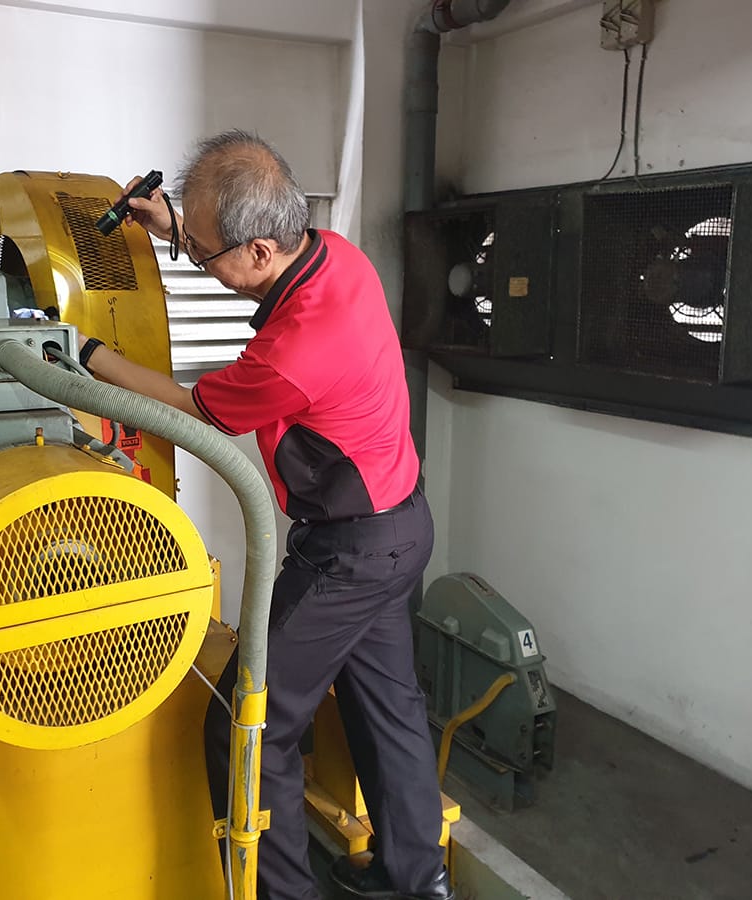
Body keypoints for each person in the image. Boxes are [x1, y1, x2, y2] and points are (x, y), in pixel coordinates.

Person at [75, 130, 452, 900]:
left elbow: (192, 407)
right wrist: (175, 231)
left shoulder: (294, 349)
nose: (199, 261)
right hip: (403, 528)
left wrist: (80, 356)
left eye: (205, 253)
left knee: (247, 726)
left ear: (256, 251)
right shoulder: (336, 254)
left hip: (348, 555)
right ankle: (419, 884)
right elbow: (238, 258)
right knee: (391, 713)